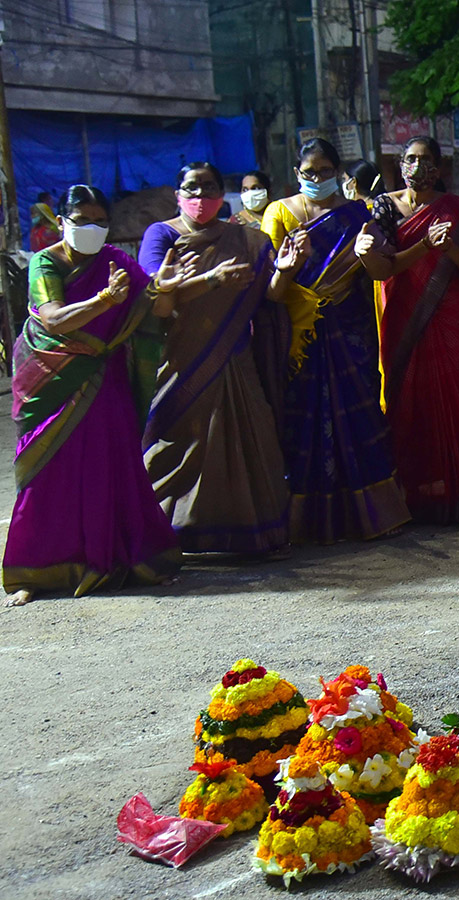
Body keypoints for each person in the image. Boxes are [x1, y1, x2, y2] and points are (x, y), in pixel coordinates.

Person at [3, 185, 189, 606]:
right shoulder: (45, 262)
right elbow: (52, 320)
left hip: (106, 382)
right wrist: (104, 300)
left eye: (100, 221)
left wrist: (163, 287)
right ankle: (34, 570)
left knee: (114, 468)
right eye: (82, 220)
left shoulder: (118, 262)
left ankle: (134, 558)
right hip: (53, 381)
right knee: (46, 473)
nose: (92, 228)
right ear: (62, 221)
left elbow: (153, 310)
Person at [138, 162, 292, 555]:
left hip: (235, 360)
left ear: (223, 195)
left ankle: (245, 532)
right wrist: (210, 280)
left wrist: (287, 271)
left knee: (248, 439)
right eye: (192, 188)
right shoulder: (162, 235)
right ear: (177, 193)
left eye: (209, 187)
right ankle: (162, 533)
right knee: (176, 445)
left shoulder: (248, 240)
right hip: (180, 358)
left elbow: (270, 295)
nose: (201, 197)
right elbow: (156, 295)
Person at [261, 138, 411, 541]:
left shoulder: (358, 214)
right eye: (308, 173)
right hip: (301, 338)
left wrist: (368, 252)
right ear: (296, 174)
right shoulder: (279, 214)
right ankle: (306, 523)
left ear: (338, 173)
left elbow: (381, 273)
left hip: (351, 332)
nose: (316, 179)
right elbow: (272, 292)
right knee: (304, 421)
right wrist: (289, 268)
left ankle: (374, 515)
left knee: (359, 412)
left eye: (325, 172)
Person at [355, 135, 459, 526]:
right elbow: (383, 267)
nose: (417, 167)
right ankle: (418, 497)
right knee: (409, 399)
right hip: (404, 315)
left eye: (425, 159)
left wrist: (448, 249)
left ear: (438, 167)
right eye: (410, 159)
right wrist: (421, 248)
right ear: (400, 165)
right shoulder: (384, 208)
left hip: (451, 314)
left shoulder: (458, 209)